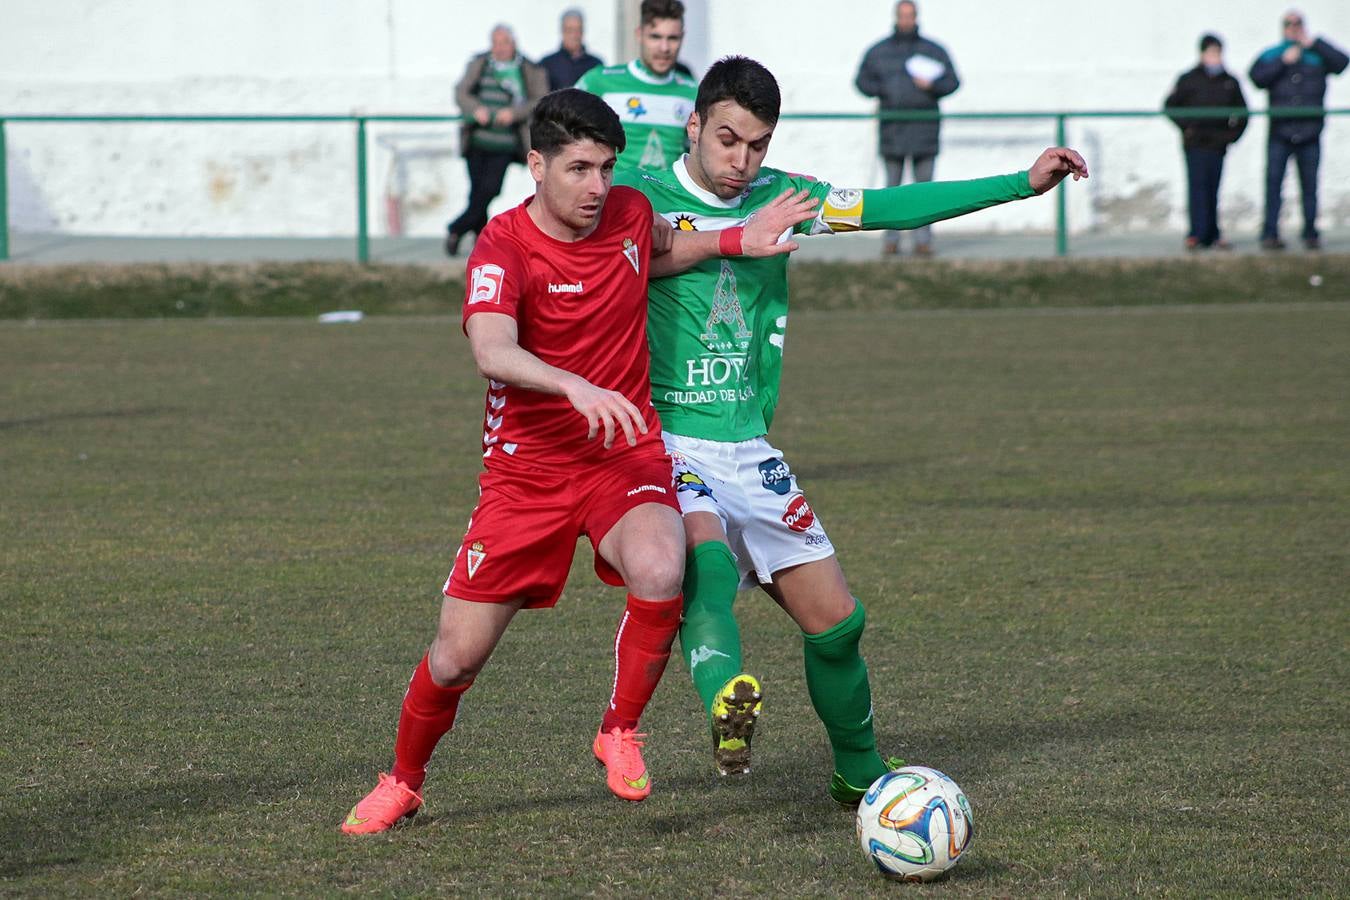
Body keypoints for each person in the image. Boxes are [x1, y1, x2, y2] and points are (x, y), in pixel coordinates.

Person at [340, 88, 810, 836]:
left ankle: (618, 729)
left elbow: (657, 250)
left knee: (662, 567)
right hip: (528, 473)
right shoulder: (502, 245)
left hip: (622, 454)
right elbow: (491, 348)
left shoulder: (624, 213)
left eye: (607, 168)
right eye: (580, 169)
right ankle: (402, 781)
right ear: (536, 165)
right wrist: (572, 385)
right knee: (457, 658)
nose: (598, 188)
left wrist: (732, 242)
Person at [621, 56, 1087, 801]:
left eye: (758, 145)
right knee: (702, 566)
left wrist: (1019, 185)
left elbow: (892, 205)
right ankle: (725, 698)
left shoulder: (784, 196)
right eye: (728, 140)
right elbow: (594, 262)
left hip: (749, 444)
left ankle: (858, 772)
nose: (742, 161)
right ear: (695, 125)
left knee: (837, 623)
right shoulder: (635, 200)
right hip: (666, 437)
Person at [854, 0, 961, 258]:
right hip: (892, 131)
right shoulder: (879, 51)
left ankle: (923, 241)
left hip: (925, 130)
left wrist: (932, 86)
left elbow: (953, 81)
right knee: (892, 191)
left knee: (925, 192)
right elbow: (862, 81)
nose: (906, 20)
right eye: (902, 15)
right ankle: (891, 240)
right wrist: (883, 89)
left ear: (916, 17)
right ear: (896, 17)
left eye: (910, 15)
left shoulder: (933, 50)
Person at [445, 25, 548, 257]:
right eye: (496, 43)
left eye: (505, 42)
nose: (500, 48)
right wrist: (476, 108)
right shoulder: (480, 64)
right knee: (477, 193)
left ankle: (456, 228)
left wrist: (514, 112)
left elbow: (540, 99)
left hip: (505, 143)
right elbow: (461, 92)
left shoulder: (528, 68)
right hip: (477, 140)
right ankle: (480, 241)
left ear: (514, 43)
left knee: (491, 189)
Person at [1249, 10, 1347, 251]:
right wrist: (1284, 61)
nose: (1293, 29)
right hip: (1280, 132)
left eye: (1298, 24)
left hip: (1310, 131)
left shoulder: (1316, 54)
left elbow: (1342, 63)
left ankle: (1310, 232)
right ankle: (1270, 233)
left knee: (1310, 186)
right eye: (1289, 25)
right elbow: (1257, 78)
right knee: (1274, 184)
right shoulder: (1274, 54)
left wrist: (1314, 43)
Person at [576, 0, 698, 173]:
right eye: (655, 37)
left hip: (666, 198)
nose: (664, 48)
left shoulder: (693, 91)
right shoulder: (599, 81)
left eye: (672, 38)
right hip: (615, 195)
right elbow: (561, 130)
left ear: (682, 37)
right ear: (639, 34)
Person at [1164, 34, 1248, 251]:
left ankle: (1213, 233)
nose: (1215, 58)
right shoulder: (1189, 79)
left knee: (1213, 189)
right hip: (1195, 144)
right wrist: (1188, 127)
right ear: (1202, 54)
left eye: (1218, 53)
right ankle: (1196, 234)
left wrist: (1232, 136)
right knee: (1197, 188)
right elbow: (1170, 106)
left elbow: (1243, 112)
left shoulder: (1229, 81)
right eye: (1211, 53)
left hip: (1218, 145)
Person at [539, 8, 603, 91]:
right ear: (562, 31)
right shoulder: (547, 64)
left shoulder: (596, 65)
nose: (574, 35)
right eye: (569, 30)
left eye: (578, 30)